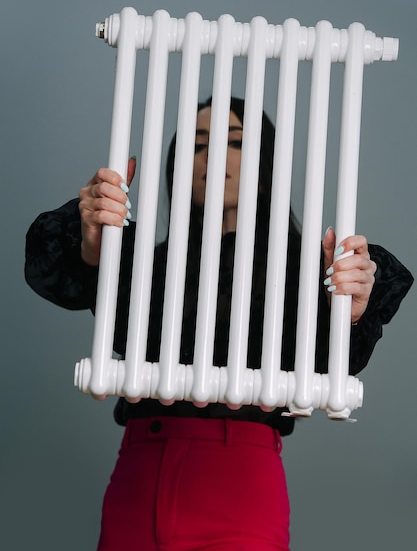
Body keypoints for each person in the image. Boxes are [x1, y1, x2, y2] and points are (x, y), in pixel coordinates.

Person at [25, 97, 413, 551]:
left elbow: (332, 360)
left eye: (235, 143)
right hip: (138, 476)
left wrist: (349, 308)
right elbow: (78, 285)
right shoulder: (145, 267)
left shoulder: (306, 271)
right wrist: (94, 240)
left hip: (241, 483)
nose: (214, 158)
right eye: (197, 144)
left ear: (266, 163)